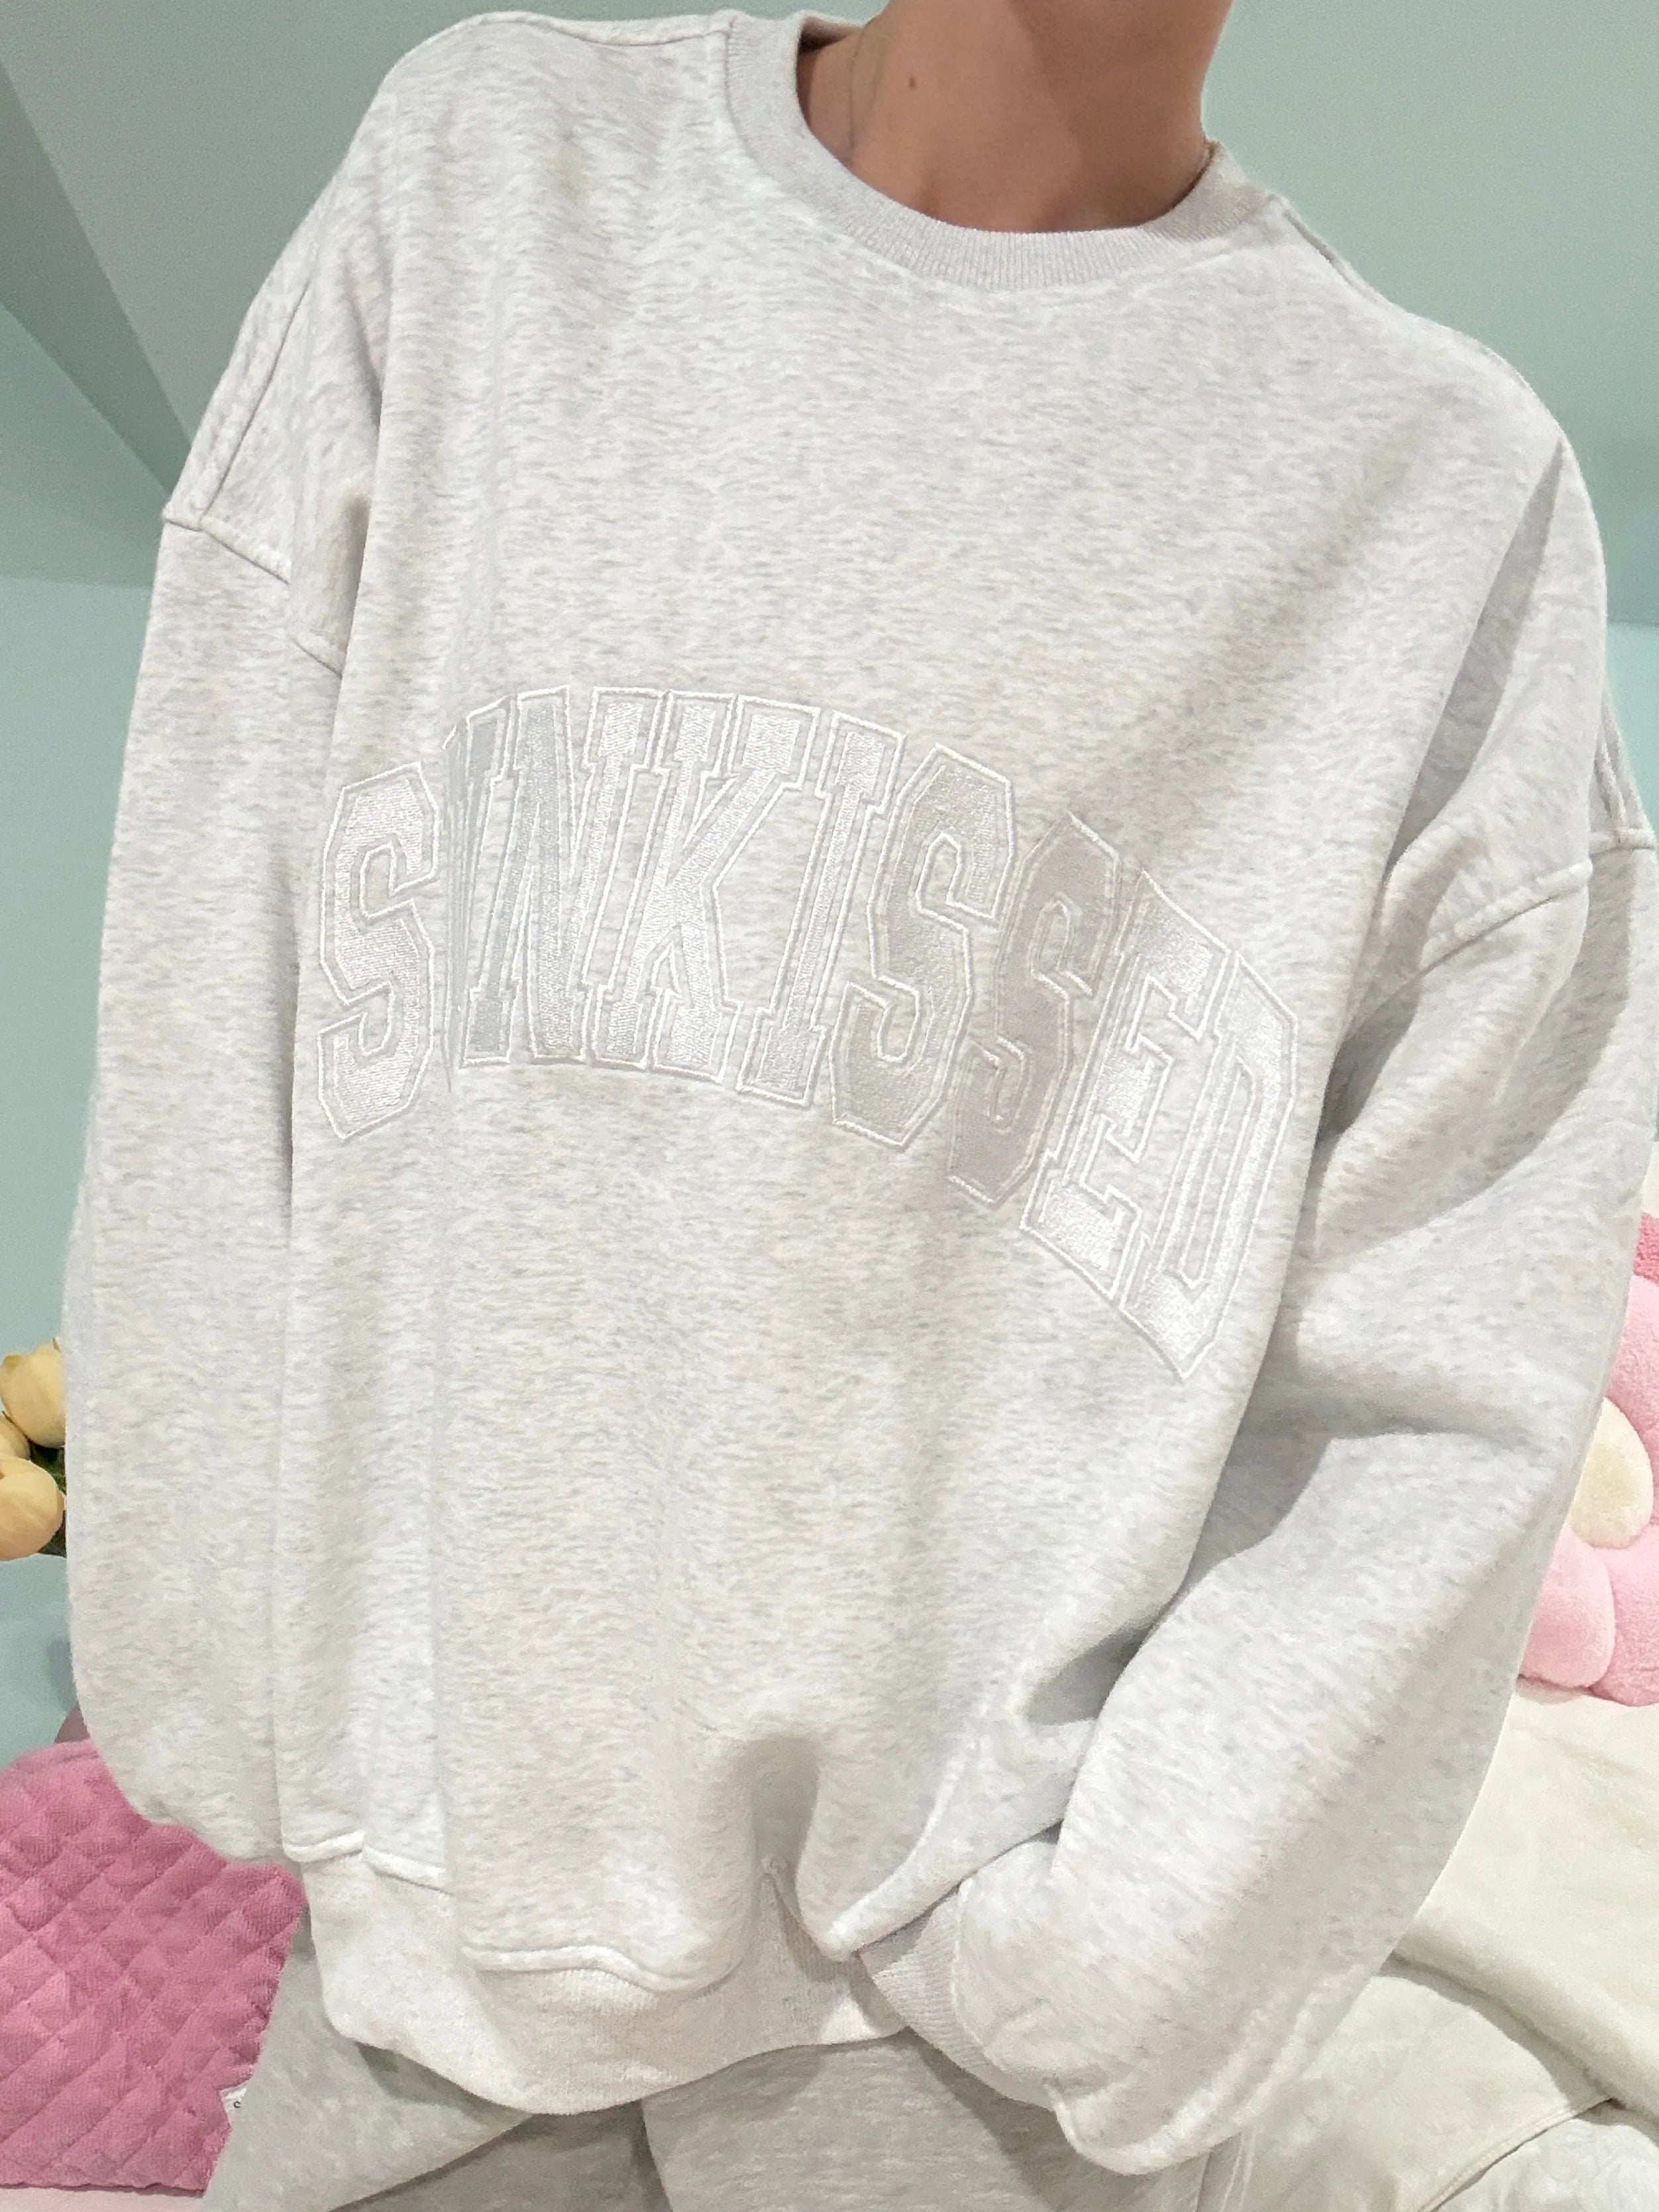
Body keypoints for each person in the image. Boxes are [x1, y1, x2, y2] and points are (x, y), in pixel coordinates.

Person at [57, 3, 1659, 2210]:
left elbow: (1445, 1366)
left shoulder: (1438, 502)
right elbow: (211, 974)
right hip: (409, 2010)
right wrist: (248, 1711)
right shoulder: (495, 186)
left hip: (968, 2085)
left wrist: (1119, 1953)